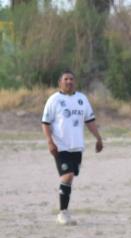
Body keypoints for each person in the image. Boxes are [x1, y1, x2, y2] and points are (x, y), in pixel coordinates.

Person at [41, 70, 104, 225]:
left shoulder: (81, 99)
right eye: (66, 79)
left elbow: (89, 121)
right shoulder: (54, 100)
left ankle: (65, 211)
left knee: (70, 178)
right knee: (67, 175)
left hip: (77, 147)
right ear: (60, 83)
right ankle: (63, 213)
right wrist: (50, 141)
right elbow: (45, 123)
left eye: (71, 79)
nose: (69, 81)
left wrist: (98, 138)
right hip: (61, 146)